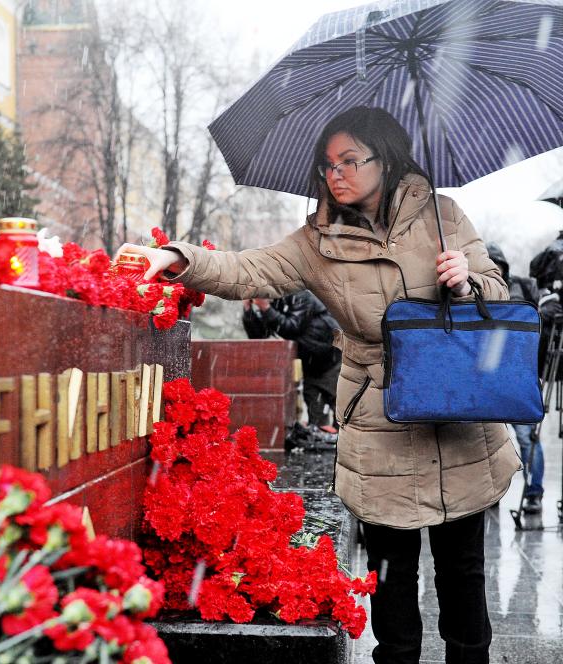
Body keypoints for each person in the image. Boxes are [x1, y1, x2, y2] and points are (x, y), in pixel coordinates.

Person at [117, 106, 520, 664]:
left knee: (464, 585)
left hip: (458, 416)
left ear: (386, 159)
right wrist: (177, 258)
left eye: (351, 160)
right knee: (394, 586)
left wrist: (467, 281)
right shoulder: (317, 243)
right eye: (328, 164)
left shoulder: (444, 215)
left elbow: (498, 293)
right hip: (381, 420)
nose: (337, 174)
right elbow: (247, 269)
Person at [486, 242, 545, 514]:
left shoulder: (521, 288)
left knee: (526, 437)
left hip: (518, 375)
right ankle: (491, 492)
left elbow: (538, 332)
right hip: (487, 377)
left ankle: (534, 491)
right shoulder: (473, 291)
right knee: (490, 438)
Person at [241, 292, 341, 443]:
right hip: (310, 366)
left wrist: (265, 308)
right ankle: (323, 452)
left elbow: (293, 327)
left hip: (333, 361)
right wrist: (248, 310)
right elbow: (259, 336)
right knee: (317, 423)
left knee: (344, 415)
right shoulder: (275, 304)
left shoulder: (300, 295)